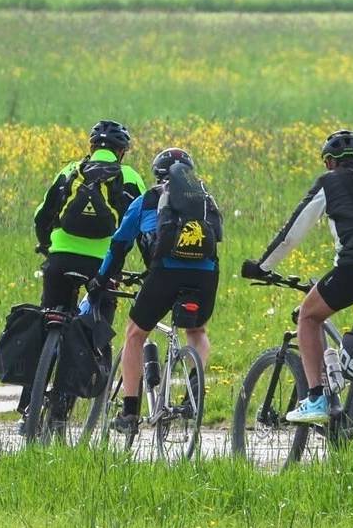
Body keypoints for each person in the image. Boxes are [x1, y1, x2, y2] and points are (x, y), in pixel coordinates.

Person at [242, 130, 353, 424]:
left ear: (329, 162)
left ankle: (316, 398)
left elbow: (291, 233)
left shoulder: (330, 182)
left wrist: (263, 266)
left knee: (309, 317)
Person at [89, 148, 223, 435]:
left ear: (158, 174)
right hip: (206, 274)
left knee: (135, 334)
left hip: (165, 273)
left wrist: (100, 281)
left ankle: (129, 413)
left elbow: (118, 245)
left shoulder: (146, 200)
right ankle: (193, 389)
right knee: (197, 331)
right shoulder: (204, 200)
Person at [23, 120, 146, 430]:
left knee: (48, 316)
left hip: (61, 258)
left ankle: (30, 402)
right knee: (93, 333)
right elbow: (144, 226)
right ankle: (62, 408)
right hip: (102, 265)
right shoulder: (130, 177)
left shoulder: (70, 171)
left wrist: (47, 245)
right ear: (121, 152)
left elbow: (43, 214)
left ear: (92, 147)